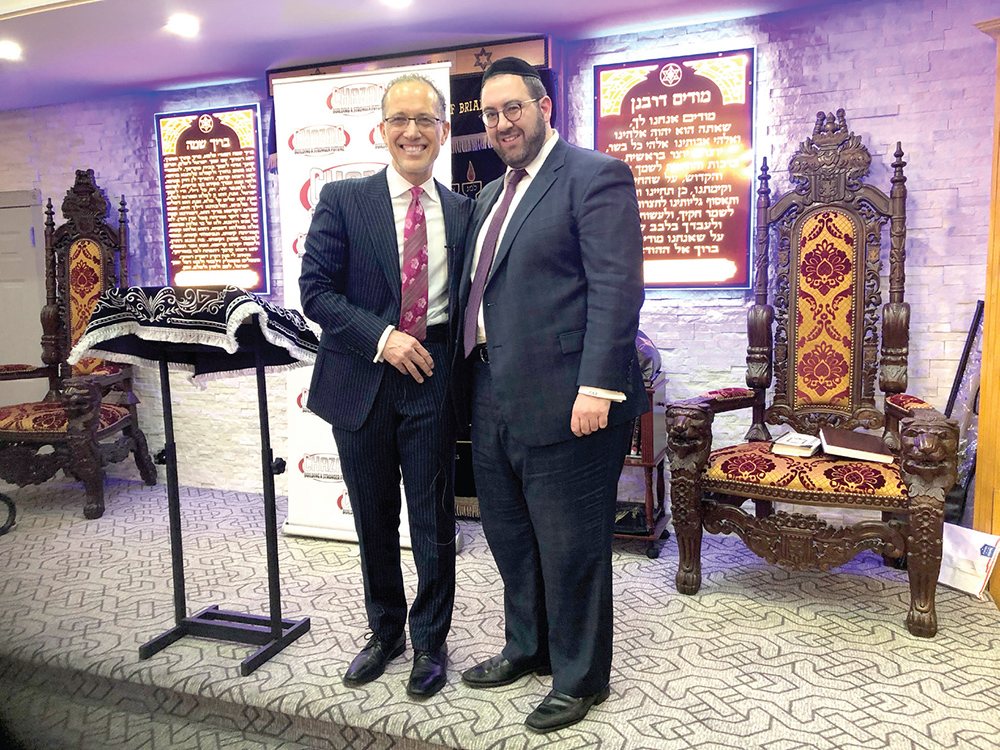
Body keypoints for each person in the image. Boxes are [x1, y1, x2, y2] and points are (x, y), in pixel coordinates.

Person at [457, 57, 648, 733]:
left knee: (571, 547)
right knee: (511, 536)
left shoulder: (594, 175)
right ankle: (527, 647)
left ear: (543, 107)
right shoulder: (489, 196)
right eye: (490, 114)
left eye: (512, 108)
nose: (501, 123)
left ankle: (579, 678)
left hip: (572, 396)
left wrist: (598, 386)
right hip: (492, 390)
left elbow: (617, 289)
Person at [299, 73, 473, 699]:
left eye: (425, 120)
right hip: (361, 381)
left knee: (432, 521)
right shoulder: (343, 199)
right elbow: (315, 292)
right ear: (381, 130)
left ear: (443, 131)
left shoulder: (464, 211)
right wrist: (383, 337)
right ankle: (385, 632)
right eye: (400, 119)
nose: (412, 131)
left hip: (433, 379)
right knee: (373, 518)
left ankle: (430, 641)